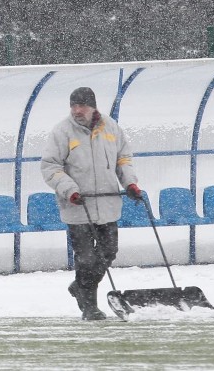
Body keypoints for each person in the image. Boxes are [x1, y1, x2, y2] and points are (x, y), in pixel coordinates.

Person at [40, 87, 141, 321]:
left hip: (107, 204)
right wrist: (70, 190)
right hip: (78, 207)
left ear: (93, 106)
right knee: (86, 258)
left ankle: (79, 287)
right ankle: (89, 307)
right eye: (73, 106)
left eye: (82, 106)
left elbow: (123, 159)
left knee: (108, 252)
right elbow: (50, 167)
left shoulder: (111, 128)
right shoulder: (62, 132)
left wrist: (130, 184)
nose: (77, 111)